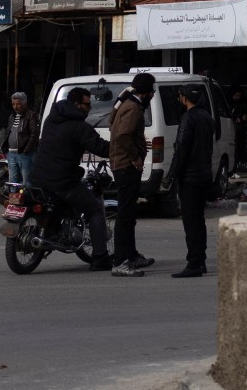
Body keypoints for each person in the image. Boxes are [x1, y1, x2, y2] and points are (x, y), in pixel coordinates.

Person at [31, 87, 131, 274]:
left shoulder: (51, 119)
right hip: (62, 180)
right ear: (77, 104)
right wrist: (122, 147)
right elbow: (100, 147)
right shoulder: (79, 126)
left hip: (39, 177)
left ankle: (53, 232)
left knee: (60, 202)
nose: (90, 108)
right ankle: (100, 258)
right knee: (94, 209)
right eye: (87, 104)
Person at [107, 74, 157, 271]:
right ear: (145, 92)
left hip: (121, 165)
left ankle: (131, 255)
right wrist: (135, 157)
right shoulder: (134, 108)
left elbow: (112, 122)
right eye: (152, 91)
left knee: (129, 214)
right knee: (126, 216)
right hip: (126, 167)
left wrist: (120, 99)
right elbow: (123, 134)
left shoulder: (126, 104)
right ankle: (120, 261)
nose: (153, 95)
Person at [167, 86, 216, 278]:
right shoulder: (207, 117)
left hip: (190, 176)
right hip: (204, 174)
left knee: (191, 222)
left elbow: (181, 149)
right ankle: (199, 260)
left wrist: (170, 175)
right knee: (198, 220)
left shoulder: (188, 118)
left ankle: (194, 263)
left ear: (184, 98)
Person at [0, 90, 36, 189]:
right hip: (11, 153)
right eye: (13, 104)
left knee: (26, 182)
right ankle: (14, 202)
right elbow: (8, 132)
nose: (15, 106)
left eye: (18, 104)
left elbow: (34, 134)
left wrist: (26, 150)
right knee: (13, 182)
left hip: (24, 154)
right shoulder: (12, 116)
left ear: (24, 104)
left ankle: (27, 202)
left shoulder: (31, 115)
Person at [224, 85, 247, 171]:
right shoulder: (227, 102)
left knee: (240, 148)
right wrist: (236, 118)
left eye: (239, 95)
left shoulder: (244, 102)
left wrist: (246, 116)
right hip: (231, 129)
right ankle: (233, 168)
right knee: (233, 149)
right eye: (236, 95)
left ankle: (238, 166)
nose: (238, 97)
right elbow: (226, 114)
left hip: (241, 129)